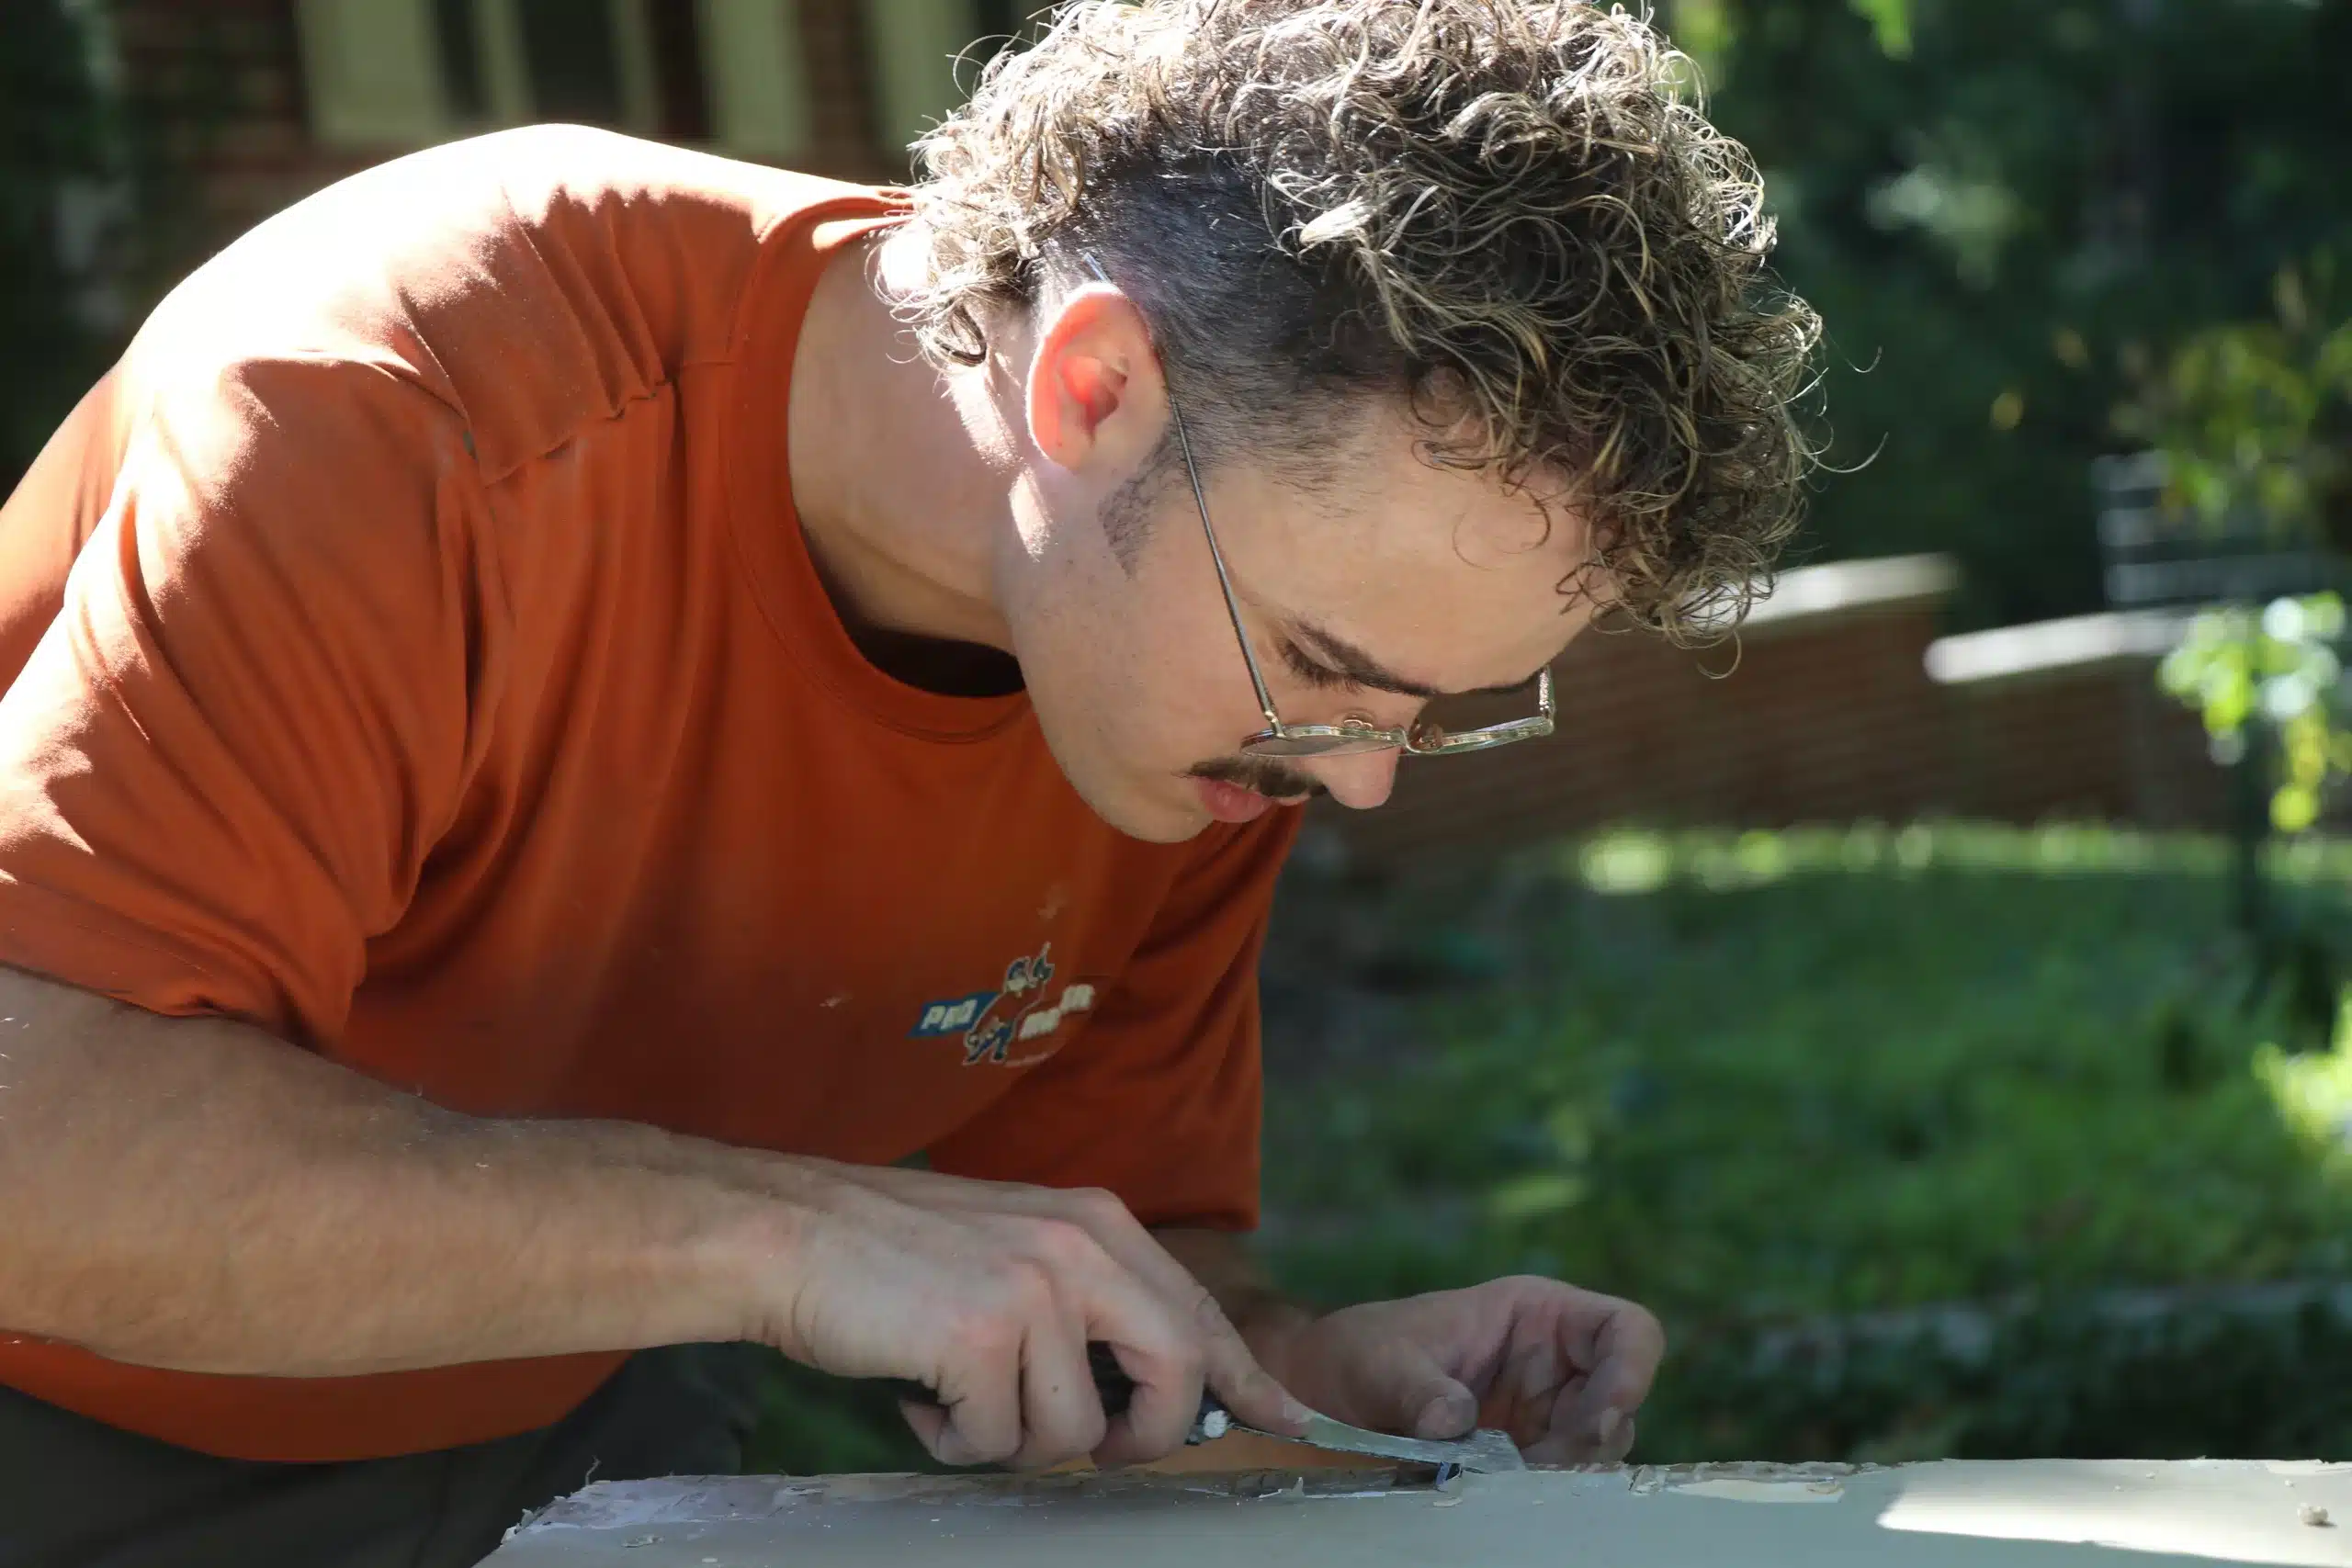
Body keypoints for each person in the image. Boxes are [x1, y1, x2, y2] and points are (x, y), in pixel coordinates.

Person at [0, 1, 1818, 1562]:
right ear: (1093, 388)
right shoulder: (417, 397)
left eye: (1432, 712)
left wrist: (1290, 1381)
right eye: (1330, 669)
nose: (1357, 782)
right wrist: (776, 1230)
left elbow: (1085, 1255)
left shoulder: (1182, 703)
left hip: (574, 1443)